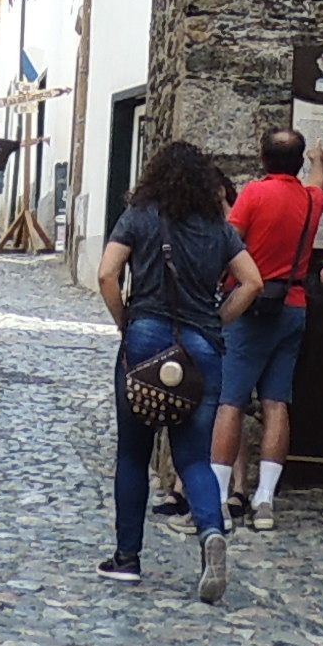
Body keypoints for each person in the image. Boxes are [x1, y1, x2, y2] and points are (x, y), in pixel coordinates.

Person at [98, 138, 260, 601]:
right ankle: (211, 533)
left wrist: (124, 322)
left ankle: (127, 558)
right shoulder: (217, 227)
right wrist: (216, 320)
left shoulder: (139, 214)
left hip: (146, 338)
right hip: (200, 348)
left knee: (133, 451)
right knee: (193, 455)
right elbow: (253, 282)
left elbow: (108, 274)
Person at [219, 129, 322, 528]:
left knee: (231, 402)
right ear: (297, 162)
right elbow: (318, 183)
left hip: (249, 309)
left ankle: (219, 494)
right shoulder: (312, 200)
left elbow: (228, 244)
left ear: (263, 160)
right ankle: (265, 500)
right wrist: (319, 162)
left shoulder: (253, 196)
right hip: (293, 306)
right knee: (277, 403)